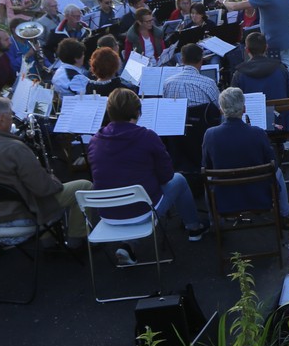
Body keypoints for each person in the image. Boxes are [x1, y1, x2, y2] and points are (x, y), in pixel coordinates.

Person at [0, 96, 91, 247]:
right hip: (22, 214)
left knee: (27, 190)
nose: (12, 120)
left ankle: (48, 242)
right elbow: (43, 189)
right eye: (10, 115)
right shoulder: (13, 148)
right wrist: (53, 179)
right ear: (1, 119)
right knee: (83, 186)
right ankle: (76, 243)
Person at [88, 89, 209, 243]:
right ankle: (194, 228)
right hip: (142, 212)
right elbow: (166, 176)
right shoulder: (147, 136)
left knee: (123, 188)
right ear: (138, 111)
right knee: (179, 180)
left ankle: (127, 247)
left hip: (107, 214)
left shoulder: (95, 140)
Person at [202, 86, 289, 219]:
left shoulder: (210, 135)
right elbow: (272, 164)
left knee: (207, 178)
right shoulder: (258, 133)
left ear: (221, 110)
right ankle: (285, 214)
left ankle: (214, 221)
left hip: (224, 197)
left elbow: (206, 166)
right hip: (258, 195)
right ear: (244, 109)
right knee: (278, 172)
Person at [225, 0, 289, 73]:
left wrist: (224, 2)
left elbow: (235, 6)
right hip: (287, 41)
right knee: (288, 69)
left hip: (274, 43)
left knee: (275, 73)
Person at [232, 31, 289, 103]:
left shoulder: (239, 74)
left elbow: (233, 102)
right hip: (279, 110)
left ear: (247, 50)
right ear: (266, 47)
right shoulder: (281, 68)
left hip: (252, 110)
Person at [164, 43, 221, 108]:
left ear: (182, 60)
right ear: (201, 60)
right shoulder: (209, 83)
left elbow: (166, 107)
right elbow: (220, 107)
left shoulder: (167, 83)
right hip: (201, 114)